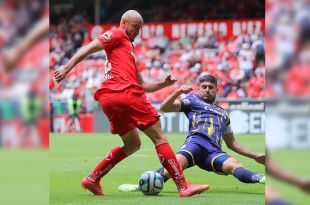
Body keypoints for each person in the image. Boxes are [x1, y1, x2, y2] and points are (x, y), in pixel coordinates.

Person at [54, 10, 209, 197]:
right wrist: (67, 67)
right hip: (124, 93)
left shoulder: (127, 52)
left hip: (109, 99)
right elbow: (89, 47)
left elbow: (143, 85)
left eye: (140, 29)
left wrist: (164, 84)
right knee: (159, 137)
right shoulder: (117, 34)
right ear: (124, 22)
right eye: (136, 27)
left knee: (133, 144)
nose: (138, 32)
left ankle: (93, 178)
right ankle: (183, 186)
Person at [119, 74, 265, 192]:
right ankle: (141, 186)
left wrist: (255, 155)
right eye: (204, 87)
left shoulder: (223, 114)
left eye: (210, 87)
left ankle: (259, 178)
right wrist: (178, 92)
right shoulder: (193, 101)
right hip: (194, 144)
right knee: (173, 167)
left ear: (216, 90)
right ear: (199, 89)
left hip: (213, 151)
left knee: (233, 164)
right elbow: (164, 107)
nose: (207, 90)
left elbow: (232, 143)